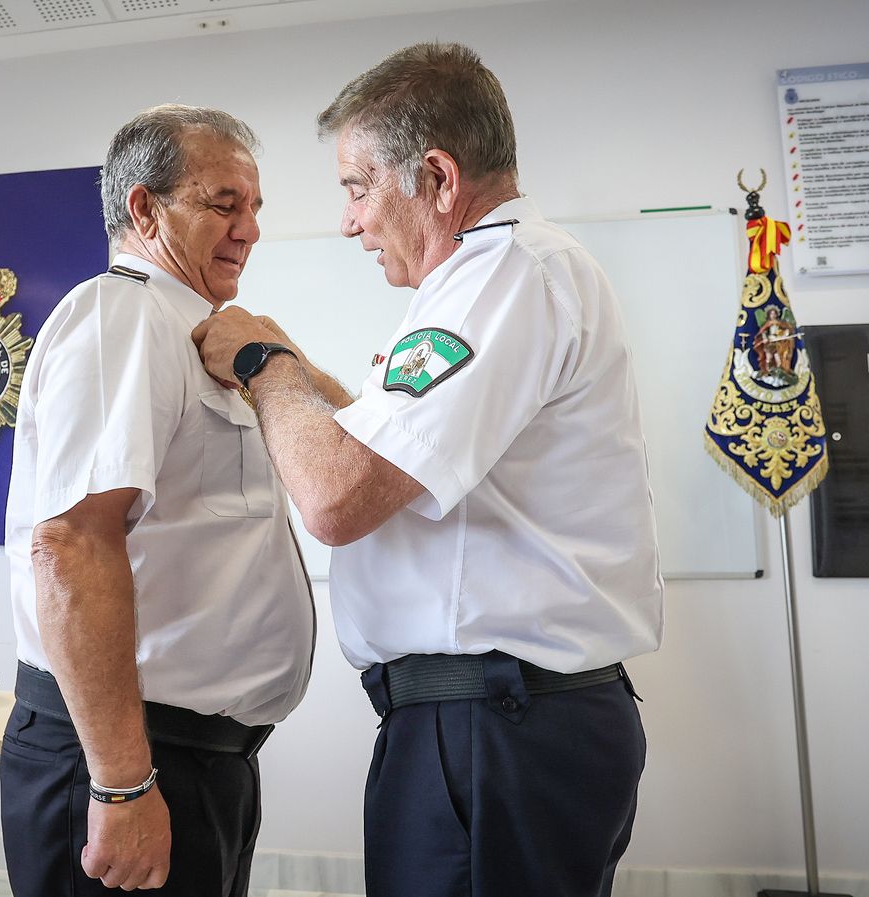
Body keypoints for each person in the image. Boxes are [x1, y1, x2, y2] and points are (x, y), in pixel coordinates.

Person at [192, 43, 664, 897]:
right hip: (489, 721)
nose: (349, 222)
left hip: (495, 725)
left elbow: (338, 496)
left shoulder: (502, 275)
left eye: (357, 187)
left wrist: (265, 366)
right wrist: (300, 371)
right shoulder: (491, 280)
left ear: (439, 179)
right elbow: (391, 455)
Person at [2, 105, 315, 895]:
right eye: (224, 204)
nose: (249, 230)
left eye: (254, 207)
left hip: (196, 757)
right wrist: (121, 783)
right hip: (132, 755)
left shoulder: (196, 328)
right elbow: (71, 544)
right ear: (144, 208)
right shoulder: (125, 316)